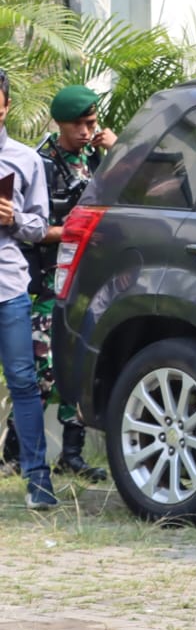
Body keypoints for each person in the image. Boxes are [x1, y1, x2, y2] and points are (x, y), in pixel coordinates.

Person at [3, 84, 115, 483]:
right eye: (79, 125)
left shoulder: (96, 156)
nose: (87, 131)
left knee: (79, 362)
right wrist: (71, 231)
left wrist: (116, 153)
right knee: (39, 366)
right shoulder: (40, 162)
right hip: (48, 281)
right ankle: (15, 453)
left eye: (92, 122)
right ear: (60, 123)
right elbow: (27, 227)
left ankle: (72, 454)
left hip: (91, 279)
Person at [0, 69, 55, 508]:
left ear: (5, 106)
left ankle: (39, 483)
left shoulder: (25, 159)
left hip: (8, 285)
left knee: (23, 380)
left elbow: (38, 227)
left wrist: (13, 218)